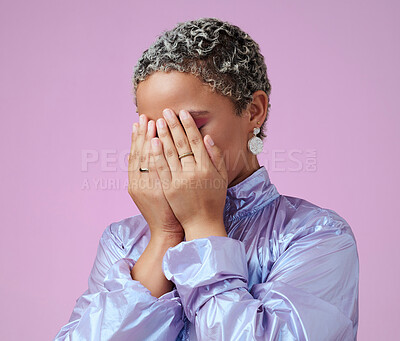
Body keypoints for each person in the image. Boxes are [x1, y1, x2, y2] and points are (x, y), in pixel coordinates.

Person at [54, 17, 359, 340]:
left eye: (190, 128)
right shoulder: (123, 241)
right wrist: (164, 235)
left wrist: (201, 225)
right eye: (155, 131)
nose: (170, 146)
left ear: (254, 111)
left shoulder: (315, 236)